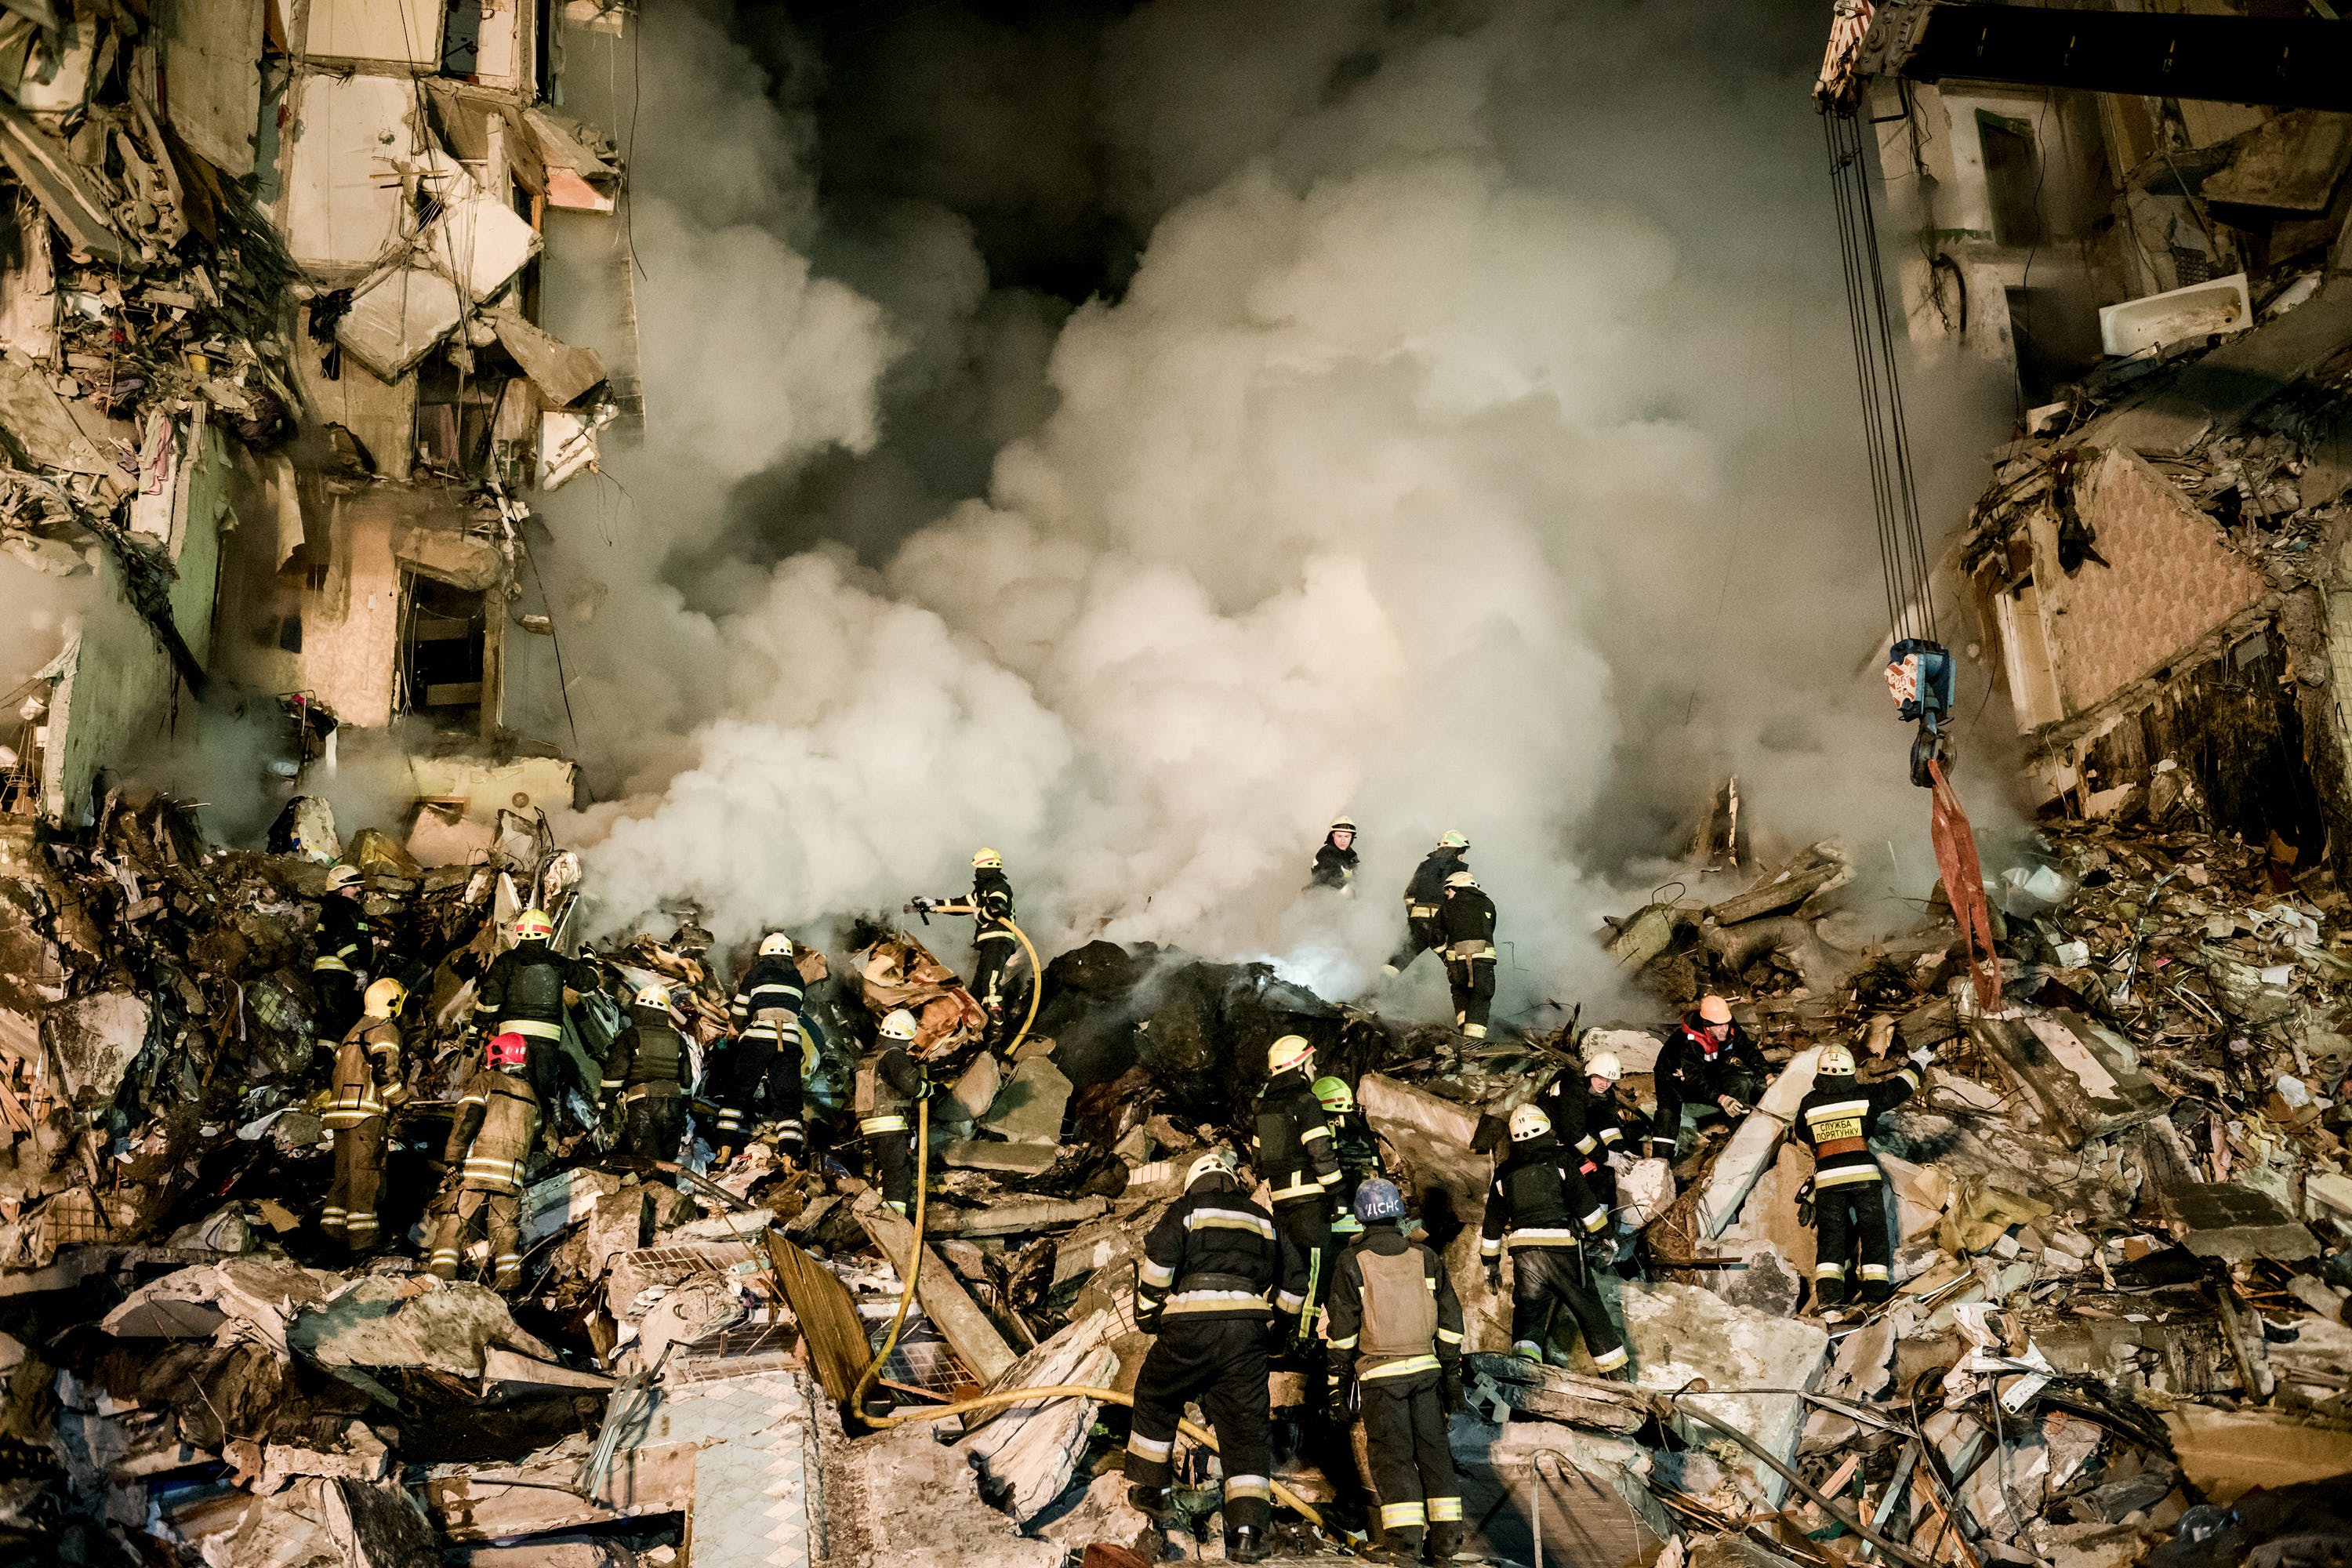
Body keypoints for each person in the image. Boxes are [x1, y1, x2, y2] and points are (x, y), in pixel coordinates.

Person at [1127, 1151, 1308, 1564]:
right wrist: (1276, 1331)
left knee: (1156, 1394)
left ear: (1193, 1183)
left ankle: (1154, 1491)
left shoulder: (1187, 1208)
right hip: (1246, 1335)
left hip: (1190, 1326)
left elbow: (1158, 1263)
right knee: (1245, 1429)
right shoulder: (1263, 1218)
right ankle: (1247, 1534)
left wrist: (1147, 1314)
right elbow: (1296, 1281)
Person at [1327, 1178, 1465, 1565]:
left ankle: (1404, 1546)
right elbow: (1451, 1319)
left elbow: (1342, 1331)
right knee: (1435, 1453)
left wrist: (1337, 1384)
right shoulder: (1425, 1257)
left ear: (1360, 1217)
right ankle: (1446, 1543)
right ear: (1398, 1213)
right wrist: (1452, 1377)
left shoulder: (1352, 1262)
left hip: (1380, 1378)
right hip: (1427, 1373)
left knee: (1393, 1457)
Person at [1480, 1104, 1626, 1374]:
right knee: (1588, 1308)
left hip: (1524, 1254)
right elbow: (1584, 1203)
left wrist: (1490, 1262)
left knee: (1529, 1311)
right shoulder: (1560, 1160)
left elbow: (1492, 1221)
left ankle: (1525, 1370)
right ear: (1546, 1127)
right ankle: (1616, 1372)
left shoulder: (1504, 1172)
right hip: (1560, 1248)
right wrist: (1606, 1236)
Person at [1799, 1041, 1925, 1313]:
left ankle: (1830, 1301)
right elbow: (1899, 1089)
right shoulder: (1864, 1096)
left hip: (1828, 1181)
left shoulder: (1809, 1103)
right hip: (1863, 1176)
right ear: (1850, 1071)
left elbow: (1801, 1131)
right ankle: (1875, 1295)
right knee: (1873, 1233)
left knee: (1832, 1239)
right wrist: (1919, 1063)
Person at [430, 1030, 541, 1292]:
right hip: (513, 1173)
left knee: (456, 1218)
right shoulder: (531, 1094)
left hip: (479, 1168)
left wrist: (453, 1158)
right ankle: (509, 1281)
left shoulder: (484, 1081)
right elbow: (536, 1131)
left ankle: (440, 1275)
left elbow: (467, 1119)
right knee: (505, 1228)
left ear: (497, 1055)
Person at [321, 977, 405, 1258]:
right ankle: (364, 1239)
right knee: (366, 1175)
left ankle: (331, 1232)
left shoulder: (353, 1030)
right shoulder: (385, 1029)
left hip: (339, 1112)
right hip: (366, 1112)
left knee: (343, 1174)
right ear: (393, 1004)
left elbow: (333, 1070)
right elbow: (384, 1070)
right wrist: (400, 1099)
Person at [915, 849, 1021, 1047]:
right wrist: (934, 905)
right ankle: (979, 1025)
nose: (976, 872)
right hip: (989, 942)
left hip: (999, 939)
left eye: (978, 868)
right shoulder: (981, 891)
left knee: (990, 982)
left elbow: (998, 907)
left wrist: (983, 915)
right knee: (979, 986)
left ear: (987, 867)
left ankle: (998, 1028)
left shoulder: (998, 885)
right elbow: (959, 905)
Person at [1646, 994, 1770, 1160]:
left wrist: (1768, 1076)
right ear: (1707, 1026)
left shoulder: (1728, 1028)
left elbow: (1749, 1050)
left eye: (1726, 1025)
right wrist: (1722, 1099)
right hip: (1673, 1076)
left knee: (1740, 1082)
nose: (1724, 1030)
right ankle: (1660, 1162)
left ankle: (1741, 1134)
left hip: (1708, 1068)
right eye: (1718, 1027)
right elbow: (1696, 1080)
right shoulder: (1689, 1042)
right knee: (1668, 1114)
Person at [717, 932, 808, 1162]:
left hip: (758, 1039)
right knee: (788, 1101)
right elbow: (798, 1013)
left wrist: (738, 1028)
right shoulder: (798, 978)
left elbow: (739, 1011)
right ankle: (790, 1157)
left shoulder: (757, 973)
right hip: (789, 1041)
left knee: (737, 1093)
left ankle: (724, 1151)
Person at [472, 908, 597, 1071]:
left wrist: (475, 1028)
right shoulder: (558, 962)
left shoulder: (506, 960)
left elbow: (490, 999)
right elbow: (589, 981)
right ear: (547, 933)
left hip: (511, 1041)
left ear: (519, 932)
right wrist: (589, 957)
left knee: (510, 1084)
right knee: (541, 1092)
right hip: (547, 1040)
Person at [1534, 1051, 1632, 1218]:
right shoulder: (1572, 1088)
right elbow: (1576, 1135)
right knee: (1574, 1174)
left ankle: (1601, 1222)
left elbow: (1608, 1125)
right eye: (1600, 1078)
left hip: (1575, 1131)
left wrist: (1619, 1150)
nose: (1604, 1084)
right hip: (1551, 1137)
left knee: (1602, 1174)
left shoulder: (1607, 1095)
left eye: (1609, 1081)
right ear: (1590, 1073)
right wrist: (1607, 1157)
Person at [601, 982, 689, 1160]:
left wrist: (606, 1106)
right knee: (667, 1163)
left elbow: (615, 1074)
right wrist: (683, 1111)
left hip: (643, 1105)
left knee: (647, 1162)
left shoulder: (631, 1035)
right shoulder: (677, 1039)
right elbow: (686, 1081)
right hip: (673, 1106)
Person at [855, 1008, 931, 1215]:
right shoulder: (894, 1055)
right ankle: (896, 1220)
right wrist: (929, 1089)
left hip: (870, 1128)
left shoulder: (868, 1058)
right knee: (899, 1172)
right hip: (890, 1125)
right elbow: (910, 1084)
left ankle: (881, 1212)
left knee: (885, 1172)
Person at [1314, 1075, 1387, 1241]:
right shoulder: (1364, 1135)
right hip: (1369, 1226)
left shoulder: (1320, 1136)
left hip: (1333, 1225)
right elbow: (1381, 1175)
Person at [1385, 833, 1468, 975]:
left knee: (1398, 961)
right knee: (1456, 962)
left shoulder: (1424, 866)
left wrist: (1415, 916)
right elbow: (1457, 899)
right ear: (1456, 850)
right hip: (1439, 924)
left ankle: (1371, 994)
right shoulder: (1458, 868)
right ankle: (1470, 995)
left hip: (1416, 925)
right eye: (1462, 852)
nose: (1463, 856)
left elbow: (1409, 895)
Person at [310, 865, 373, 1042]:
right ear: (341, 889)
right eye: (354, 886)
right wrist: (358, 967)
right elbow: (342, 939)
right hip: (337, 975)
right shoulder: (342, 906)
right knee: (346, 1027)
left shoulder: (333, 908)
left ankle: (324, 1064)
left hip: (332, 976)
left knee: (333, 1027)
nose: (359, 889)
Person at [1438, 869, 1497, 1042]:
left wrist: (1444, 956)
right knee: (1481, 995)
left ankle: (1465, 1031)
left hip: (1458, 961)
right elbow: (1490, 928)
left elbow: (1435, 937)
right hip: (1484, 960)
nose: (1447, 895)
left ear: (1457, 888)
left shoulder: (1448, 907)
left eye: (1448, 891)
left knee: (1460, 991)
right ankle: (1473, 1042)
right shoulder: (1488, 904)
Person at [1308, 817, 1359, 894]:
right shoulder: (1327, 853)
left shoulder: (1350, 855)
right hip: (1322, 899)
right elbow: (1333, 881)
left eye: (1347, 836)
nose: (1343, 841)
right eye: (1339, 836)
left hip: (1340, 900)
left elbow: (1354, 880)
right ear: (1333, 835)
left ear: (1352, 837)